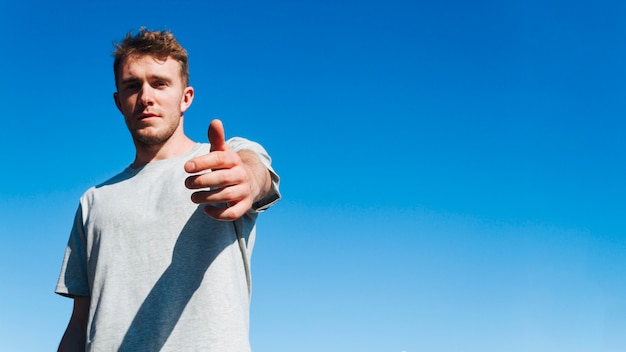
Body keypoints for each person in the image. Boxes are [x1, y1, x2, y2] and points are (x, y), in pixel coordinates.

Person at [55, 28, 280, 352]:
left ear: (185, 96)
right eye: (133, 86)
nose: (146, 96)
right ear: (119, 101)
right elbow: (79, 323)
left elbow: (255, 171)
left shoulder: (222, 160)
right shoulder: (93, 201)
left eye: (160, 83)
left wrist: (249, 177)